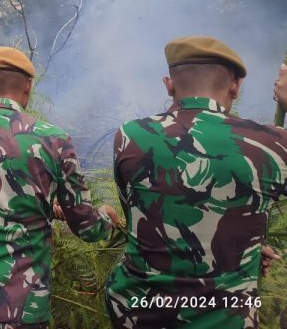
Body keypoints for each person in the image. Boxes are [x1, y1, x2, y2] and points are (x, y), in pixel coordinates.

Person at [106, 36, 287, 329]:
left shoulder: (129, 136)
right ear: (236, 86)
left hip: (138, 311)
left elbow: (140, 217)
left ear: (169, 84)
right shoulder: (271, 143)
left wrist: (243, 239)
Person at [0, 47, 118, 329]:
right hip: (19, 306)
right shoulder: (54, 141)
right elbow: (87, 226)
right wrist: (106, 218)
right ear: (29, 86)